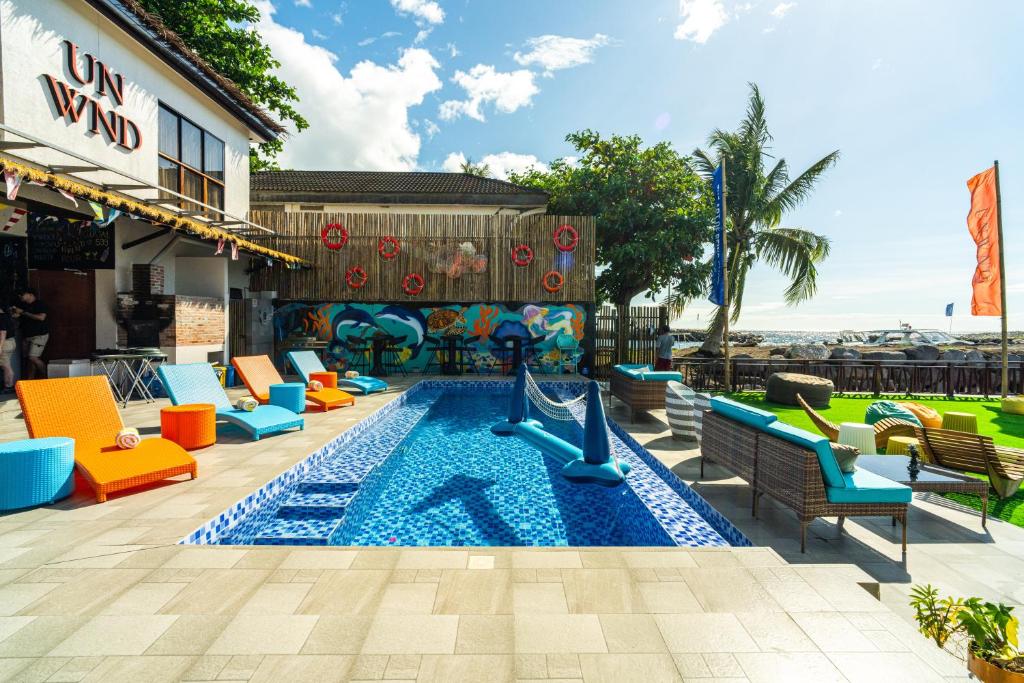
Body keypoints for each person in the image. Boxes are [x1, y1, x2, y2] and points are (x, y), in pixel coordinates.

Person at [11, 288, 48, 380]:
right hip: (27, 336)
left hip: (39, 335)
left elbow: (41, 318)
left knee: (33, 357)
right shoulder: (23, 305)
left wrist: (23, 312)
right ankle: (30, 380)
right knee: (29, 360)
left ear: (30, 294)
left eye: (22, 294)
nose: (20, 297)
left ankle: (48, 376)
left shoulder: (40, 304)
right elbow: (17, 316)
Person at [0, 306, 15, 392]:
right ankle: (8, 386)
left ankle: (9, 386)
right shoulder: (6, 316)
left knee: (6, 366)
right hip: (10, 342)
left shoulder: (1, 317)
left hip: (5, 343)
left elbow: (3, 333)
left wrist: (0, 347)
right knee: (5, 365)